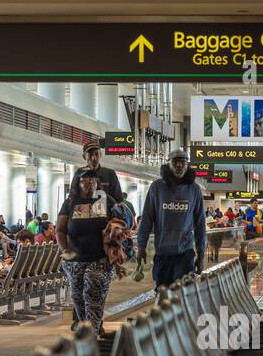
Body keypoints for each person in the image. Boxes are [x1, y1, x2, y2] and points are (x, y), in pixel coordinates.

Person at [57, 169, 123, 335]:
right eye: (84, 181)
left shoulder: (106, 200)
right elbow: (60, 230)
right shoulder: (70, 203)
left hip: (100, 258)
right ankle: (90, 325)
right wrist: (64, 249)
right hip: (75, 259)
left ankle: (91, 333)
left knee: (92, 291)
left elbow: (123, 220)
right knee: (78, 297)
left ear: (97, 183)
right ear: (78, 184)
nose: (88, 183)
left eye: (92, 180)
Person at [138, 148, 206, 288]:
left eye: (183, 162)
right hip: (162, 253)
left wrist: (201, 254)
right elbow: (146, 219)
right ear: (168, 164)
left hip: (185, 254)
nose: (179, 165)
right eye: (175, 162)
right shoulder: (157, 187)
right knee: (163, 295)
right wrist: (141, 246)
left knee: (183, 295)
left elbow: (200, 224)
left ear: (187, 165)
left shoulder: (194, 190)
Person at [69, 139, 125, 205]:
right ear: (84, 157)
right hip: (84, 212)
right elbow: (72, 197)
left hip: (107, 213)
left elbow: (118, 199)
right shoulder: (79, 173)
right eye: (90, 155)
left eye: (96, 154)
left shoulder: (110, 174)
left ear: (100, 155)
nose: (94, 158)